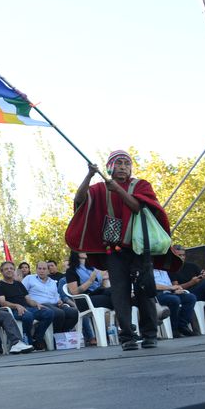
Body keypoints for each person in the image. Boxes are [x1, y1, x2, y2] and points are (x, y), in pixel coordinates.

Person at [66, 150, 176, 350]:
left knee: (144, 290)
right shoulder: (100, 188)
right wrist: (89, 175)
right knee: (120, 292)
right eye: (118, 163)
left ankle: (150, 334)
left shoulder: (141, 185)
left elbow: (137, 207)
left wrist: (117, 189)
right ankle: (127, 337)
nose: (123, 167)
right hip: (114, 250)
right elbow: (79, 199)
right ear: (110, 167)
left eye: (126, 163)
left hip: (139, 248)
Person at [0, 261, 54, 350]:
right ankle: (27, 339)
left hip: (27, 308)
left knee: (49, 313)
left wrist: (36, 304)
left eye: (11, 268)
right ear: (1, 271)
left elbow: (28, 299)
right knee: (28, 316)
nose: (9, 270)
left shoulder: (18, 284)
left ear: (14, 270)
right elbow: (2, 302)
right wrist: (16, 306)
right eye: (6, 269)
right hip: (11, 311)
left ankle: (37, 338)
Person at [64, 252, 114, 345]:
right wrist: (90, 281)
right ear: (75, 252)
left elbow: (101, 286)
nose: (85, 251)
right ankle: (124, 329)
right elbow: (74, 292)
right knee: (117, 299)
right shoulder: (71, 271)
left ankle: (125, 328)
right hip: (84, 300)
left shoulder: (92, 268)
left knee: (115, 292)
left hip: (98, 295)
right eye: (82, 250)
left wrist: (105, 279)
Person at [23, 261, 79, 333]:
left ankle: (61, 333)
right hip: (40, 305)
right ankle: (56, 335)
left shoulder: (52, 282)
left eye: (44, 269)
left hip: (55, 305)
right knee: (59, 313)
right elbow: (22, 291)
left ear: (48, 271)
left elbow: (56, 295)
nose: (41, 271)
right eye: (39, 268)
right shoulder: (29, 278)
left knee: (74, 312)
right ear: (36, 270)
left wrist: (59, 300)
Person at [154, 268, 197, 337]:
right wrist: (170, 288)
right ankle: (174, 328)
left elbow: (169, 285)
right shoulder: (148, 270)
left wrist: (175, 290)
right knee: (174, 300)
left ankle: (182, 325)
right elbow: (152, 285)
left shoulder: (164, 271)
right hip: (157, 295)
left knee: (191, 298)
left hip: (170, 292)